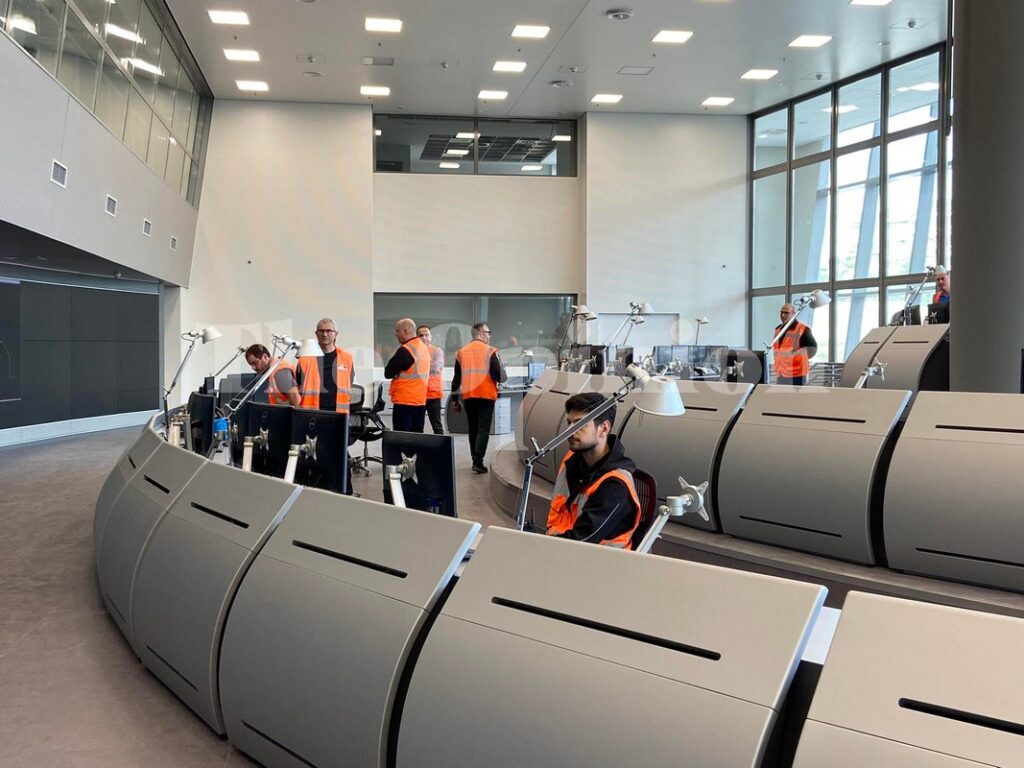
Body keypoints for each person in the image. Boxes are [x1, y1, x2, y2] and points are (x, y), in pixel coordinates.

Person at [545, 392, 642, 549]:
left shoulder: (615, 487)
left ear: (604, 429)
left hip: (600, 559)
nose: (570, 431)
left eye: (580, 424)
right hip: (563, 547)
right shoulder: (572, 459)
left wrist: (540, 546)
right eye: (569, 423)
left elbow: (581, 540)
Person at [451, 322, 507, 473]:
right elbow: (501, 377)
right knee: (483, 429)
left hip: (469, 396)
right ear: (481, 333)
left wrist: (455, 400)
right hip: (486, 395)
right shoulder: (490, 351)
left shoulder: (461, 352)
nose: (490, 336)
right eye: (488, 333)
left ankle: (475, 459)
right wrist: (502, 367)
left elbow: (456, 379)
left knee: (473, 429)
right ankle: (478, 461)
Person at [296, 318, 356, 414]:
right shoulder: (305, 359)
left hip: (339, 414)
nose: (324, 334)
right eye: (321, 331)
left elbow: (349, 382)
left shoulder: (346, 358)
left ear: (336, 334)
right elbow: (298, 386)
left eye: (328, 331)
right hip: (311, 413)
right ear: (316, 334)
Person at [384, 317, 430, 432]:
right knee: (416, 437)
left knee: (402, 438)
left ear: (405, 331)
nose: (396, 334)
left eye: (398, 331)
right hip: (420, 402)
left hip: (404, 403)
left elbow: (388, 372)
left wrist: (396, 373)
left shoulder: (406, 350)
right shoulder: (423, 348)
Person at [772, 303, 818, 386]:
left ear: (794, 314)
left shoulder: (803, 329)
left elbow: (812, 349)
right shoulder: (778, 329)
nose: (783, 315)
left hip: (797, 374)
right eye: (781, 312)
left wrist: (798, 358)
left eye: (786, 313)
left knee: (796, 394)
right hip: (781, 373)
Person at [418, 325, 445, 435]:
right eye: (421, 335)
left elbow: (435, 367)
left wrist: (419, 366)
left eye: (426, 335)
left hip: (433, 393)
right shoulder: (414, 352)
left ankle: (441, 446)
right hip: (418, 394)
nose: (424, 337)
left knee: (437, 426)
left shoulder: (436, 351)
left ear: (430, 336)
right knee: (417, 426)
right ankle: (418, 446)